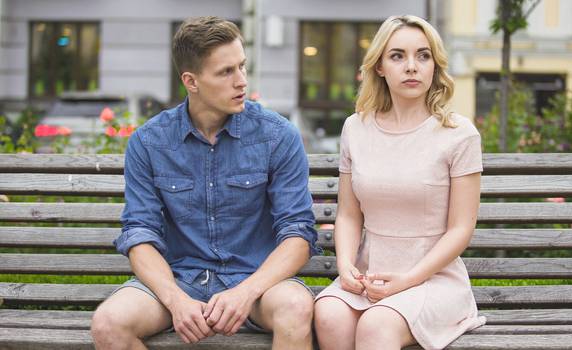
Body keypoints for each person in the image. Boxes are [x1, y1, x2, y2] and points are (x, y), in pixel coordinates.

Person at [90, 16, 320, 350]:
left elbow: (298, 233)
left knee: (296, 307)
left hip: (258, 284)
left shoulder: (277, 136)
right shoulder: (149, 142)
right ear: (191, 81)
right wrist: (174, 300)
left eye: (242, 66)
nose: (241, 81)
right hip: (179, 281)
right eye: (226, 72)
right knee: (108, 323)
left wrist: (246, 292)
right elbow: (140, 234)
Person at [314, 15, 486, 350]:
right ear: (379, 66)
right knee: (328, 314)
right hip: (370, 274)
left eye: (423, 56)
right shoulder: (356, 128)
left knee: (377, 326)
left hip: (433, 280)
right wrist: (346, 265)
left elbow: (460, 229)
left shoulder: (458, 134)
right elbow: (349, 214)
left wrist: (408, 279)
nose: (412, 66)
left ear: (435, 65)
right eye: (398, 56)